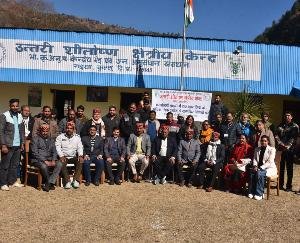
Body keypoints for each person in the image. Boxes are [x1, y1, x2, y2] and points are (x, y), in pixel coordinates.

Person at [0, 98, 25, 191]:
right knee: (5, 165)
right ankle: (3, 183)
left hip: (17, 145)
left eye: (16, 106)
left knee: (15, 165)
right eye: (13, 106)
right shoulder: (4, 115)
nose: (15, 107)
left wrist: (22, 143)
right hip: (8, 145)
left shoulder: (20, 116)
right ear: (10, 106)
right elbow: (1, 131)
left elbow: (22, 131)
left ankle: (12, 181)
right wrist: (3, 145)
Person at [30, 124, 62, 192]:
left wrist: (53, 160)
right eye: (43, 131)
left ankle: (49, 183)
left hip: (50, 159)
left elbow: (54, 151)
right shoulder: (35, 139)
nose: (45, 133)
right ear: (40, 131)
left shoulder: (52, 140)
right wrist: (44, 160)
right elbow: (34, 153)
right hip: (37, 160)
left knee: (59, 164)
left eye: (46, 131)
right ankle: (49, 183)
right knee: (44, 166)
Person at [275, 111, 299, 191]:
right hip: (281, 150)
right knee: (281, 168)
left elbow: (295, 138)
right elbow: (276, 135)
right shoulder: (280, 125)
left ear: (291, 117)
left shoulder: (295, 126)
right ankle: (280, 184)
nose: (287, 117)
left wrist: (288, 146)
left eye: (289, 116)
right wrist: (281, 144)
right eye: (286, 116)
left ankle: (289, 186)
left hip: (290, 150)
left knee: (289, 168)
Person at [55, 122, 84, 189]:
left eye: (71, 128)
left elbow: (80, 147)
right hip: (64, 156)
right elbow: (58, 147)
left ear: (73, 129)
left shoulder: (77, 137)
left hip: (73, 156)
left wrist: (80, 155)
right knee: (61, 162)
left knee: (80, 161)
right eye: (67, 128)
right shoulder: (60, 137)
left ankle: (75, 180)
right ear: (65, 129)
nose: (69, 129)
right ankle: (67, 181)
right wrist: (61, 156)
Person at [248, 135, 277, 200]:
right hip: (258, 167)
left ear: (268, 142)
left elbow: (270, 161)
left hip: (269, 168)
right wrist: (255, 166)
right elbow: (255, 159)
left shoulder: (272, 149)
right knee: (252, 172)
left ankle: (259, 193)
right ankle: (252, 191)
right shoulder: (257, 149)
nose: (263, 142)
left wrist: (260, 168)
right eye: (262, 141)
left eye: (265, 141)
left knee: (260, 173)